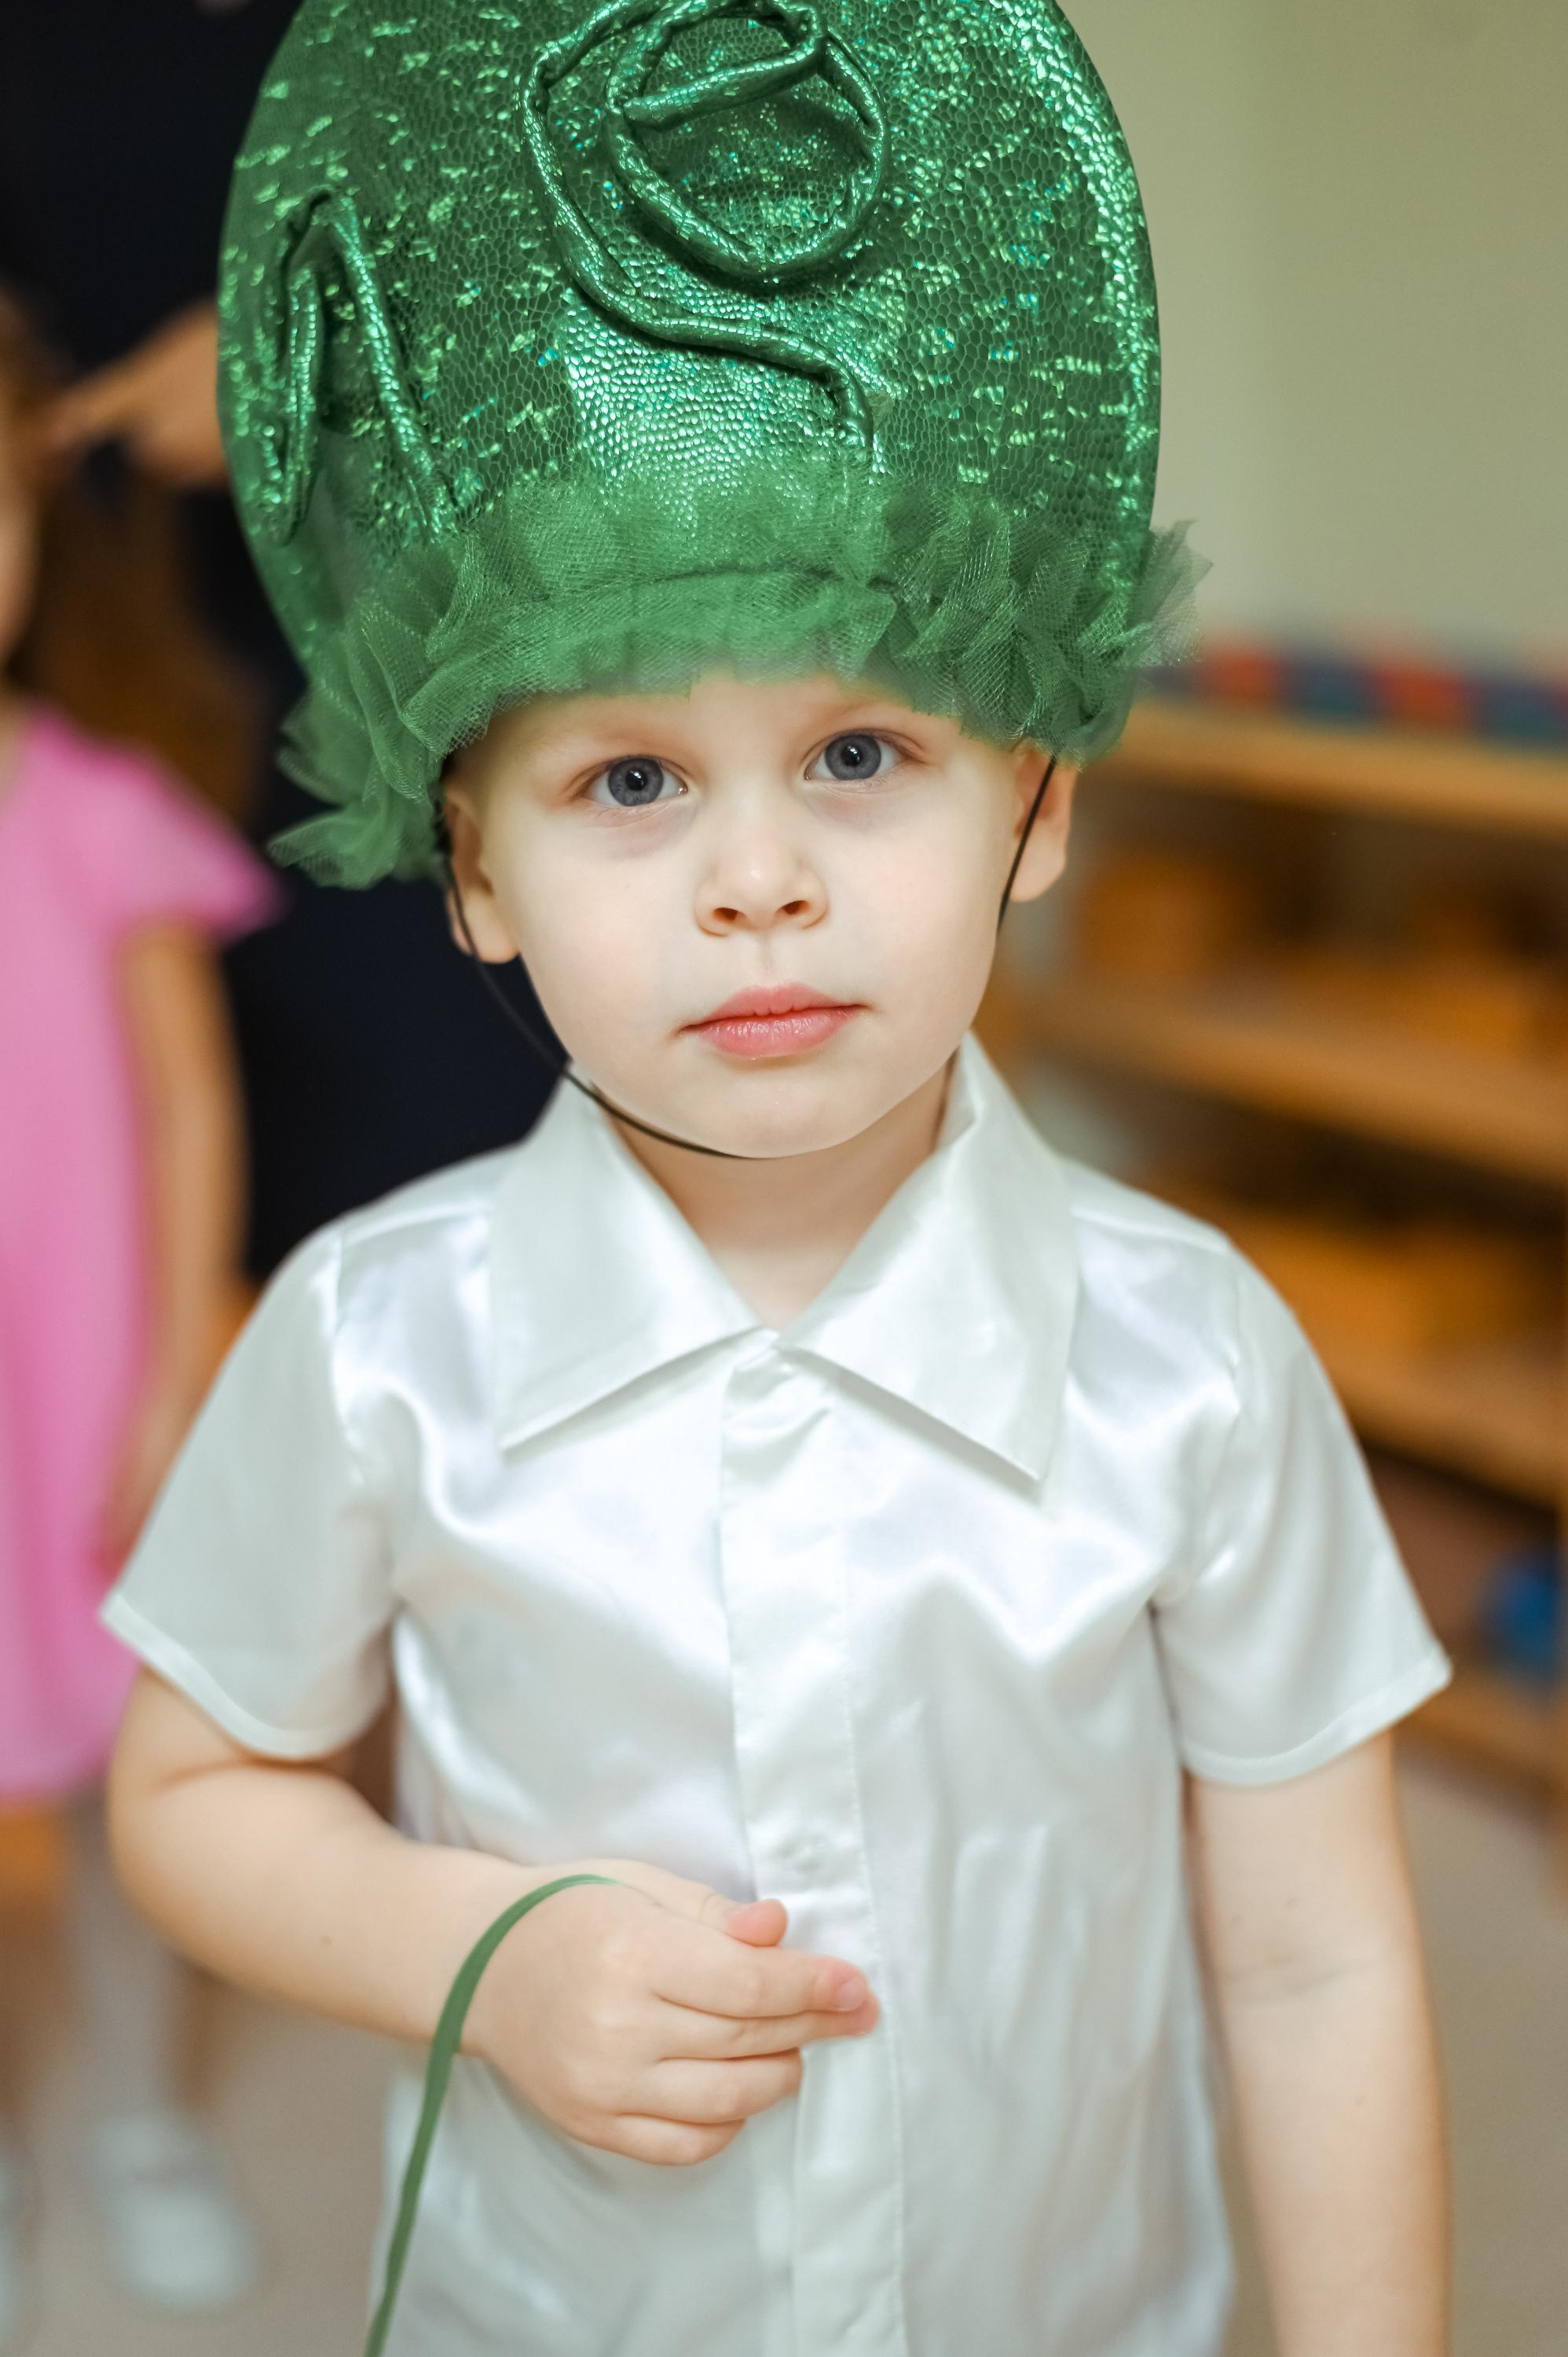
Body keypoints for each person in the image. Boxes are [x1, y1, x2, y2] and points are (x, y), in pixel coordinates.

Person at [102, 2, 1453, 2352]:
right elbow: (195, 1792)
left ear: (1034, 803)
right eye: (629, 784)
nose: (756, 879)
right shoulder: (373, 1340)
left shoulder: (1194, 1361)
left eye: (857, 752)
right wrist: (479, 1953)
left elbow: (1319, 1952)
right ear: (473, 869)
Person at [0, 0, 558, 1277]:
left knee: (433, 1217)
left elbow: (611, 277)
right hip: (109, 680)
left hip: (410, 688)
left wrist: (299, 362)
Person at [0, 291, 271, 2341]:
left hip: (88, 1404)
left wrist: (180, 1375)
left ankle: (145, 2121)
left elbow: (188, 1105)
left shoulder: (90, 806)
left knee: (138, 1792)